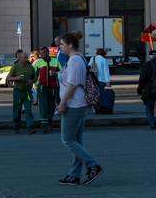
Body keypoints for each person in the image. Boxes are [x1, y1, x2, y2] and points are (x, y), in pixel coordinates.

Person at [56, 31, 104, 186]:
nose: (60, 47)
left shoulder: (75, 60)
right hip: (78, 104)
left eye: (62, 44)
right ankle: (74, 175)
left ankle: (92, 165)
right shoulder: (76, 59)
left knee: (67, 140)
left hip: (75, 105)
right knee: (77, 141)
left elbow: (72, 85)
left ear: (70, 45)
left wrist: (62, 103)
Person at [7, 49, 38, 134]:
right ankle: (16, 127)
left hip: (27, 91)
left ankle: (30, 126)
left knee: (28, 109)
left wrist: (31, 81)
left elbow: (35, 77)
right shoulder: (15, 66)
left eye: (26, 58)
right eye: (24, 58)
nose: (26, 59)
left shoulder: (30, 67)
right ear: (20, 58)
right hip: (18, 91)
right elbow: (9, 78)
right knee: (17, 109)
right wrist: (16, 78)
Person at [33, 46, 59, 133]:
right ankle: (44, 126)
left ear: (48, 53)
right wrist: (37, 84)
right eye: (41, 54)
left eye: (43, 53)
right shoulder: (38, 62)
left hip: (52, 88)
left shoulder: (55, 61)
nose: (41, 55)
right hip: (42, 88)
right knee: (43, 107)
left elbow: (63, 72)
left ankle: (50, 122)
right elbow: (33, 74)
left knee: (51, 107)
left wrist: (56, 73)